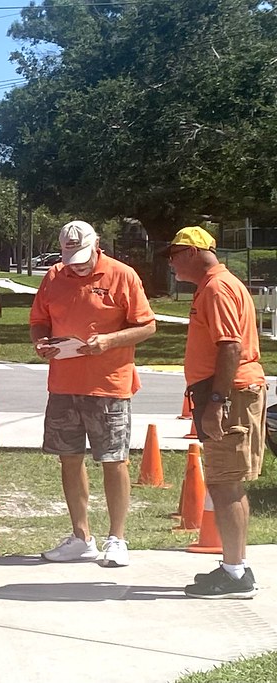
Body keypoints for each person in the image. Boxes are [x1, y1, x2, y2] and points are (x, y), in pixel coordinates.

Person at [30, 220, 156, 567]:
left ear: (97, 245)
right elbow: (39, 319)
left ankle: (118, 538)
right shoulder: (54, 276)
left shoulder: (122, 275)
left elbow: (147, 325)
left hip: (109, 384)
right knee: (69, 459)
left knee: (114, 460)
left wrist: (109, 342)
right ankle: (81, 536)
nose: (78, 264)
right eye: (72, 257)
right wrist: (41, 342)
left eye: (84, 256)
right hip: (63, 385)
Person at [167, 226, 265, 599]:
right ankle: (233, 565)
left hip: (230, 393)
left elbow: (229, 346)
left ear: (191, 252)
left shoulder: (217, 288)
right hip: (225, 391)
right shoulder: (213, 286)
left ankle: (236, 573)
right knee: (225, 482)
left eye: (174, 253)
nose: (172, 262)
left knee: (226, 483)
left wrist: (217, 403)